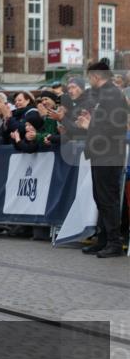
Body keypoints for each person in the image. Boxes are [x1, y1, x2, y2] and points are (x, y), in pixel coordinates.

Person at [76, 61, 129, 258]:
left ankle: (114, 242)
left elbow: (115, 127)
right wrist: (88, 124)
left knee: (108, 199)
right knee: (101, 198)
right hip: (101, 154)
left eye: (90, 77)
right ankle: (104, 239)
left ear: (96, 76)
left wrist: (89, 126)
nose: (89, 81)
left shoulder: (112, 95)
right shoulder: (105, 95)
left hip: (110, 155)